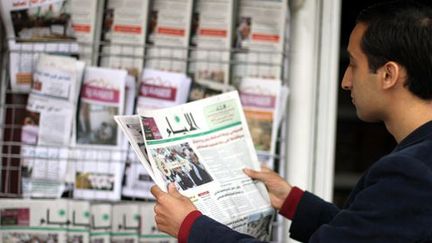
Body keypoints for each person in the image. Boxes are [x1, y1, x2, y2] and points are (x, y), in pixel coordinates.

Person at [150, 0, 432, 242]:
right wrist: (293, 202)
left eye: (353, 64)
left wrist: (192, 227)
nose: (346, 81)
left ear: (388, 75)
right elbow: (368, 233)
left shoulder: (411, 173)